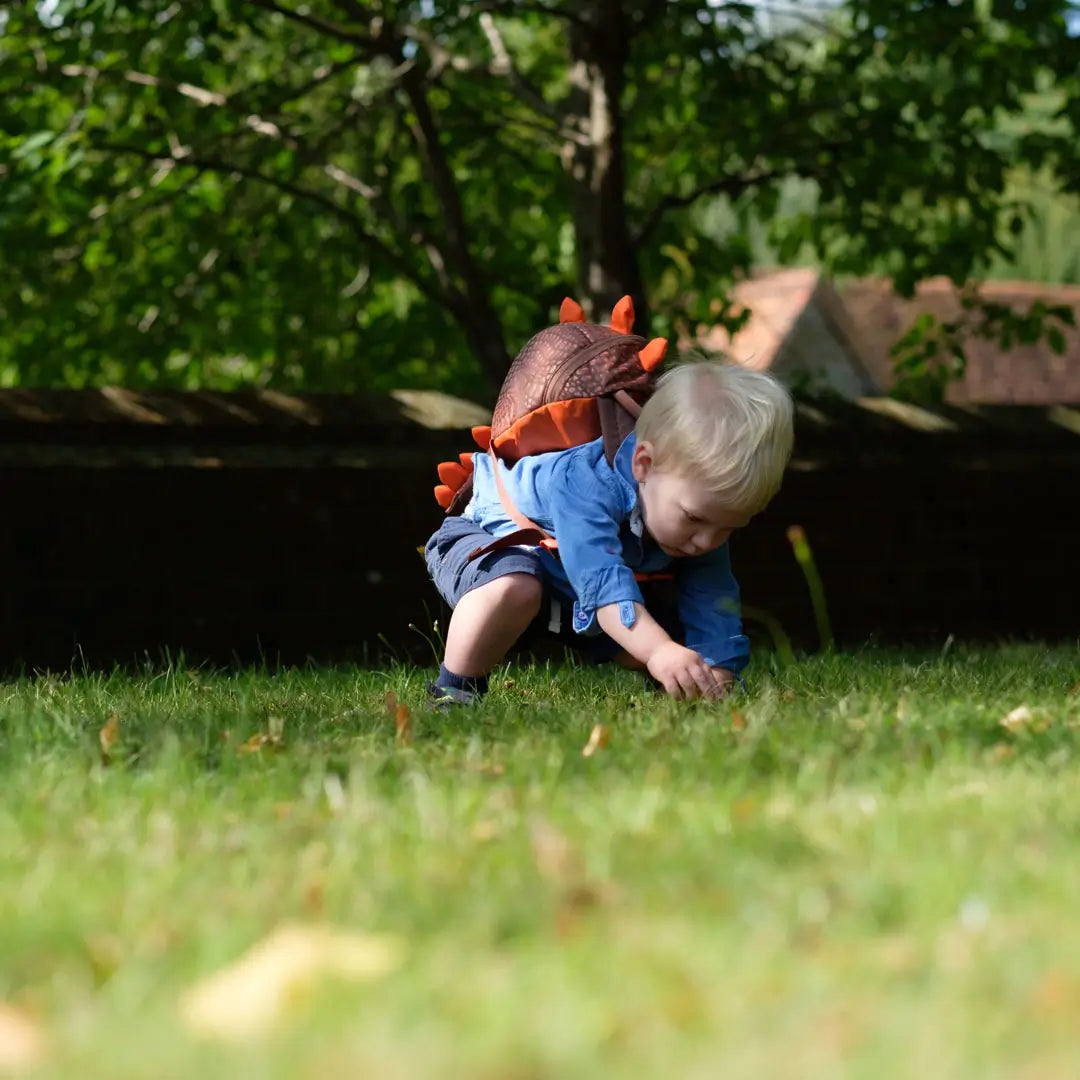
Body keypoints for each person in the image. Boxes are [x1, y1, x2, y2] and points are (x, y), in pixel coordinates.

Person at [423, 359, 794, 707]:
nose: (708, 541)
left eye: (729, 527)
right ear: (643, 464)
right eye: (694, 519)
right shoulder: (584, 483)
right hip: (490, 543)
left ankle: (679, 687)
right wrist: (659, 651)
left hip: (569, 586)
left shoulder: (697, 512)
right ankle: (455, 691)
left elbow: (714, 597)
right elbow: (601, 582)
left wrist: (719, 671)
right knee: (514, 585)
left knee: (674, 630)